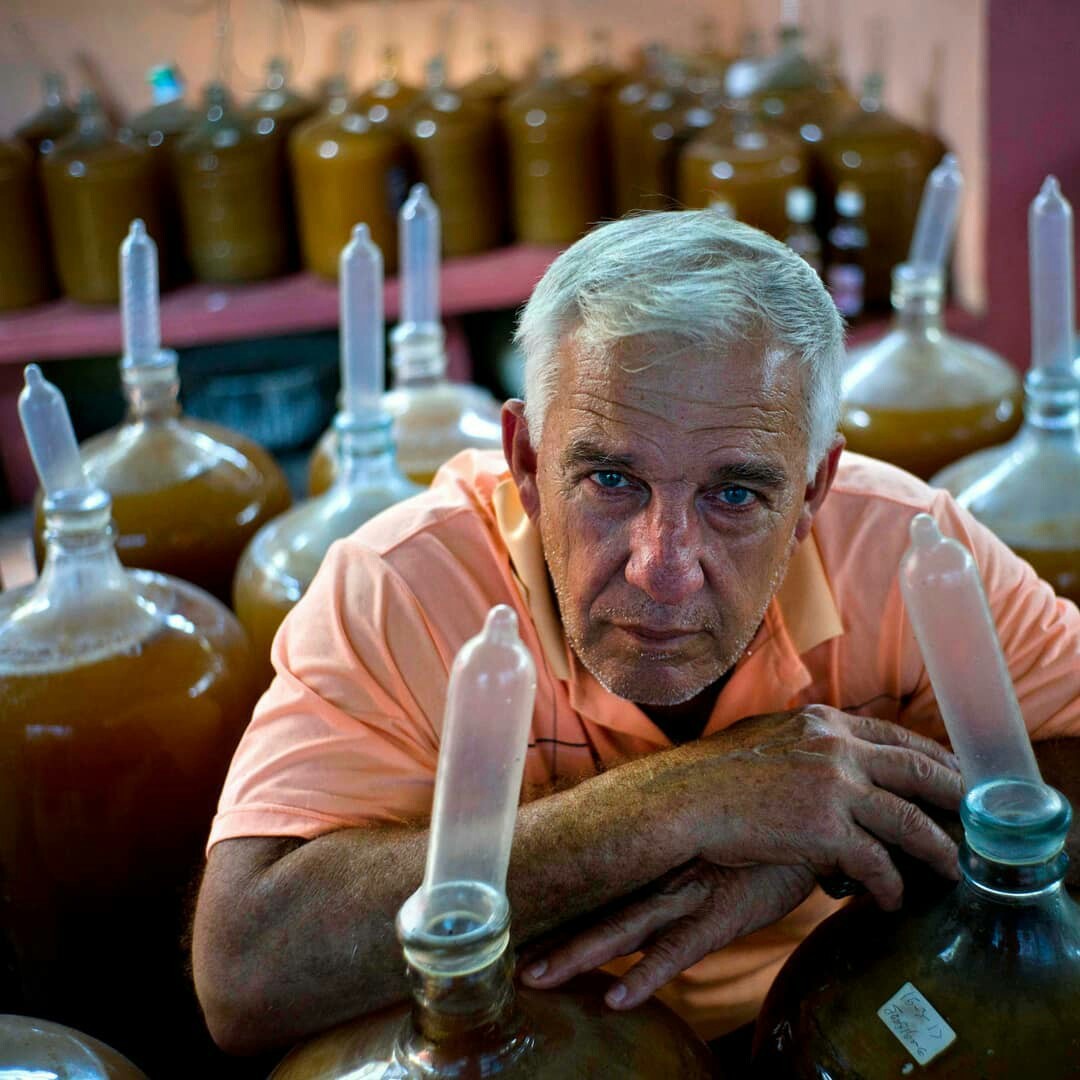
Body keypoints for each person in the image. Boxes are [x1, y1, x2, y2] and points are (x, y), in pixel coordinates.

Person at [192, 211, 1080, 1056]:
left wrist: (827, 841)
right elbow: (247, 971)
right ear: (528, 462)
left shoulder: (914, 552)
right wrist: (688, 803)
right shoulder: (402, 587)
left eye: (735, 496)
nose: (665, 567)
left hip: (830, 1022)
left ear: (814, 492)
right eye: (612, 480)